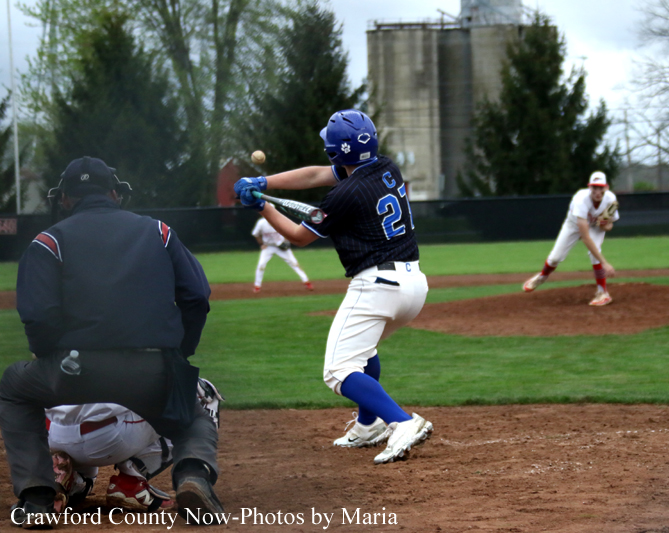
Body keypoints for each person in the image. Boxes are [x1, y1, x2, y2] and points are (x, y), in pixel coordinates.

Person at [0, 156, 223, 526]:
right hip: (151, 367)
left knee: (13, 386)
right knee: (194, 409)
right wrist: (178, 354)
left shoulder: (47, 240)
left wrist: (49, 357)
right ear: (116, 193)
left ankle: (37, 498)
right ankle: (193, 476)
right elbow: (197, 297)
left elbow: (37, 315)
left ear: (66, 198)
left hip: (72, 368)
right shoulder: (159, 231)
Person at [234, 110, 433, 465]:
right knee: (363, 352)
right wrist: (264, 182)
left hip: (377, 286)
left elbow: (299, 236)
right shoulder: (386, 167)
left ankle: (402, 421)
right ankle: (367, 425)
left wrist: (262, 206)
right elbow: (314, 175)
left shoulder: (344, 195)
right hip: (414, 285)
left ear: (335, 151)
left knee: (338, 370)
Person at [47, 379, 224, 514]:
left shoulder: (58, 331)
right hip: (108, 439)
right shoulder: (134, 333)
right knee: (201, 393)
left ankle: (71, 480)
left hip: (51, 432)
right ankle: (130, 482)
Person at [522, 171, 620, 306]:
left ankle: (602, 293)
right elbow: (585, 237)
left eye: (600, 188)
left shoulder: (611, 200)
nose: (597, 191)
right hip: (573, 224)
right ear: (589, 187)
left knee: (594, 253)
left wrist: (604, 224)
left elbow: (609, 226)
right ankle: (542, 276)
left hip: (594, 226)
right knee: (555, 257)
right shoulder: (581, 199)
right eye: (594, 187)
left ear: (606, 187)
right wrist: (604, 262)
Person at [251, 217, 313, 293]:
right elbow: (256, 234)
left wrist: (286, 241)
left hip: (281, 246)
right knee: (261, 265)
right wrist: (261, 244)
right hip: (268, 247)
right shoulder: (261, 223)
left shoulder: (279, 221)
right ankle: (257, 286)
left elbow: (288, 232)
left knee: (294, 263)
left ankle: (307, 282)